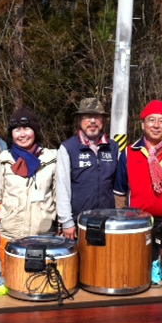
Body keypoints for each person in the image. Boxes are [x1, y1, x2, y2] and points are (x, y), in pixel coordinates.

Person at [0, 109, 57, 264]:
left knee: (41, 282)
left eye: (26, 128)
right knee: (11, 281)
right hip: (10, 233)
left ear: (35, 131)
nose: (22, 134)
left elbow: (58, 196)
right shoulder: (4, 160)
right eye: (17, 130)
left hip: (44, 234)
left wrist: (61, 225)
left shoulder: (51, 159)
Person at [56, 98, 119, 240]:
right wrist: (66, 222)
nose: (92, 121)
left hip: (109, 221)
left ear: (103, 121)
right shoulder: (68, 148)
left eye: (97, 117)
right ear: (79, 121)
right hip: (79, 224)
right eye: (87, 116)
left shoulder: (113, 147)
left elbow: (119, 185)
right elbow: (62, 187)